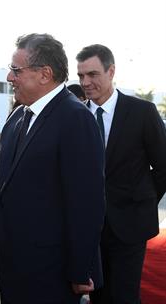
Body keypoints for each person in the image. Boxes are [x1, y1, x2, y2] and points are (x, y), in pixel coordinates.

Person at [0, 33, 106, 303]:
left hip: (52, 270)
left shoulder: (76, 119)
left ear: (44, 74)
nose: (9, 77)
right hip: (13, 265)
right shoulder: (19, 116)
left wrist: (80, 268)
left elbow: (86, 203)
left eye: (16, 70)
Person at [76, 44, 166, 304]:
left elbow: (162, 167)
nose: (86, 82)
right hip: (88, 227)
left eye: (92, 74)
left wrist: (141, 197)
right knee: (98, 297)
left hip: (131, 225)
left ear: (111, 71)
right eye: (81, 76)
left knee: (125, 296)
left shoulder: (142, 113)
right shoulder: (75, 115)